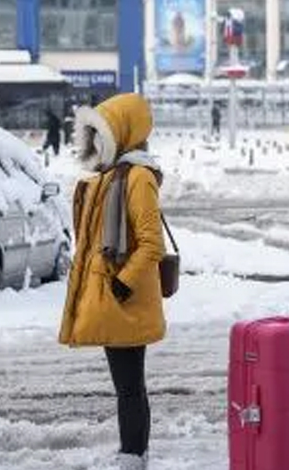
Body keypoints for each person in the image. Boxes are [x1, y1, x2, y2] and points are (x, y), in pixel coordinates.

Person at [59, 93, 166, 470]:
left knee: (129, 386)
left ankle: (133, 455)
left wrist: (123, 283)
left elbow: (152, 244)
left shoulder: (137, 178)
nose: (95, 143)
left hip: (124, 298)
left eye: (99, 135)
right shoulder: (109, 177)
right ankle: (134, 452)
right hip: (112, 294)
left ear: (120, 133)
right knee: (128, 385)